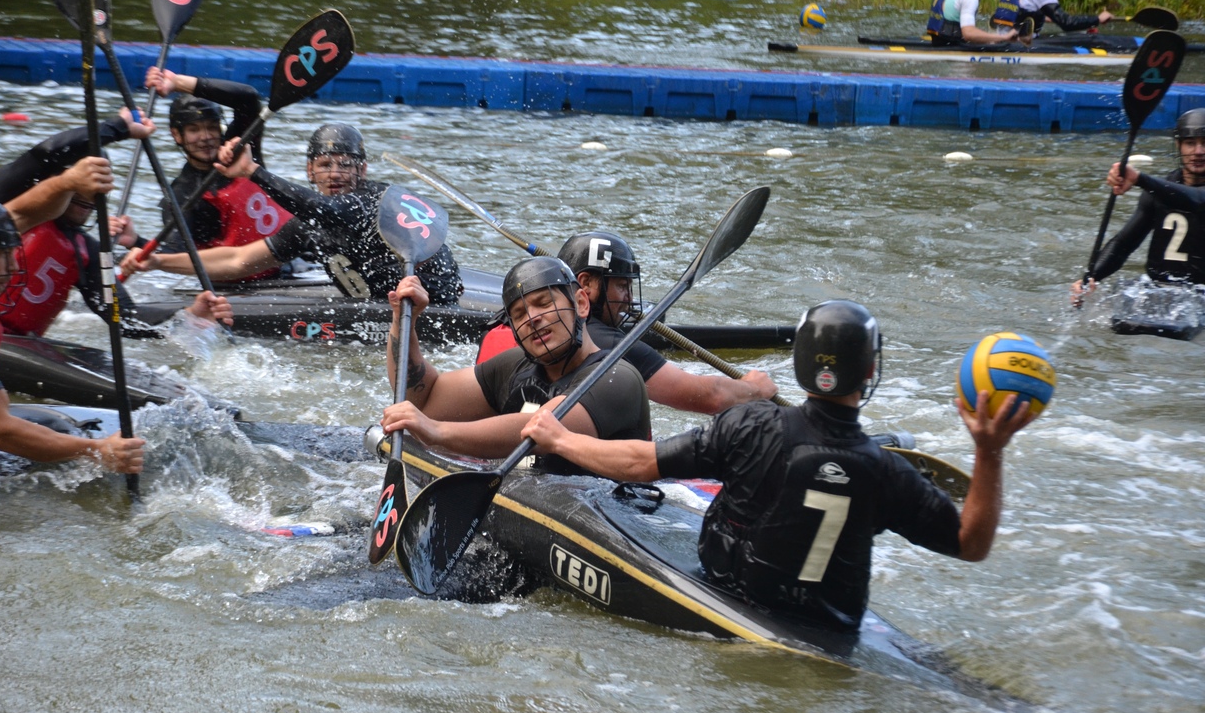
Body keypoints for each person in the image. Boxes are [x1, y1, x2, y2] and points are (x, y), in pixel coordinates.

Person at [522, 300, 1035, 632]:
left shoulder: (748, 425)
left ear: (802, 364)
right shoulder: (885, 472)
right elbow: (971, 544)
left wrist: (561, 438)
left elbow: (637, 464)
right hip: (830, 627)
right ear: (871, 371)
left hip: (729, 597)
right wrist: (989, 452)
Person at [120, 123, 463, 303]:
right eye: (325, 165)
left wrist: (253, 171)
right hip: (384, 304)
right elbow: (239, 261)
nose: (335, 174)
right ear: (310, 172)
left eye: (346, 165)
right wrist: (158, 261)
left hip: (433, 301)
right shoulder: (308, 226)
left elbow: (319, 207)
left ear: (363, 170)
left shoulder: (371, 202)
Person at [0, 195, 144, 472]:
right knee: (66, 458)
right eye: (3, 255)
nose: (14, 267)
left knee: (53, 426)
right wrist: (98, 451)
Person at [380, 256, 649, 472]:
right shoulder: (513, 367)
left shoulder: (616, 378)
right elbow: (424, 400)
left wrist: (436, 431)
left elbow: (544, 427)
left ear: (580, 304)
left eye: (543, 304)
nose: (532, 319)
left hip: (605, 515)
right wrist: (404, 321)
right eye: (519, 314)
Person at [0, 114, 233, 338]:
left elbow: (124, 318)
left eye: (95, 193)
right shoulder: (4, 202)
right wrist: (118, 126)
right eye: (81, 189)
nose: (88, 200)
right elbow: (44, 153)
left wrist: (188, 315)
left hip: (21, 345)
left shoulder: (86, 251)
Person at [556, 230, 777, 413]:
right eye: (623, 286)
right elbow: (709, 397)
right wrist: (753, 389)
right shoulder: (607, 345)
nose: (630, 300)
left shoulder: (541, 332)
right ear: (586, 285)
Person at [145, 67, 296, 279]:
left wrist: (178, 82)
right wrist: (135, 241)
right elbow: (176, 253)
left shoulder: (241, 149)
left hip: (296, 265)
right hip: (242, 286)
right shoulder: (180, 197)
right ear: (177, 135)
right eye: (194, 130)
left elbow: (248, 98)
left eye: (211, 127)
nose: (205, 137)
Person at [1073, 109, 1205, 304]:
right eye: (1190, 143)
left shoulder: (1157, 188)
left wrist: (1138, 178)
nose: (1198, 152)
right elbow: (1123, 245)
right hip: (1158, 288)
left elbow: (1196, 199)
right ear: (1178, 145)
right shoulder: (1159, 190)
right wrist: (1090, 278)